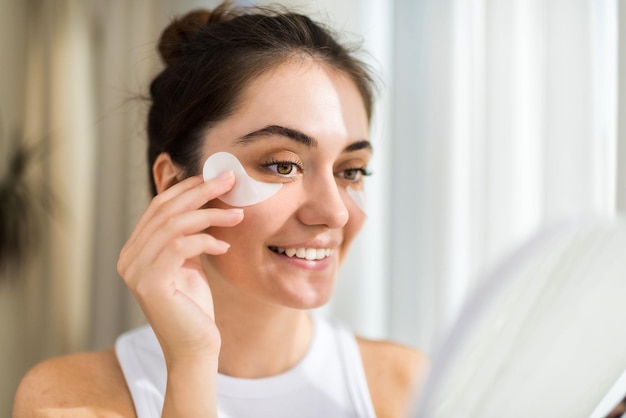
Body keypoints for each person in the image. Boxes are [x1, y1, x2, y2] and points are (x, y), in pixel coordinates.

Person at [13, 2, 428, 417]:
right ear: (175, 184)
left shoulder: (408, 388)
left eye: (350, 171)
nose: (335, 213)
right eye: (283, 165)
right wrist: (191, 362)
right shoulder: (69, 399)